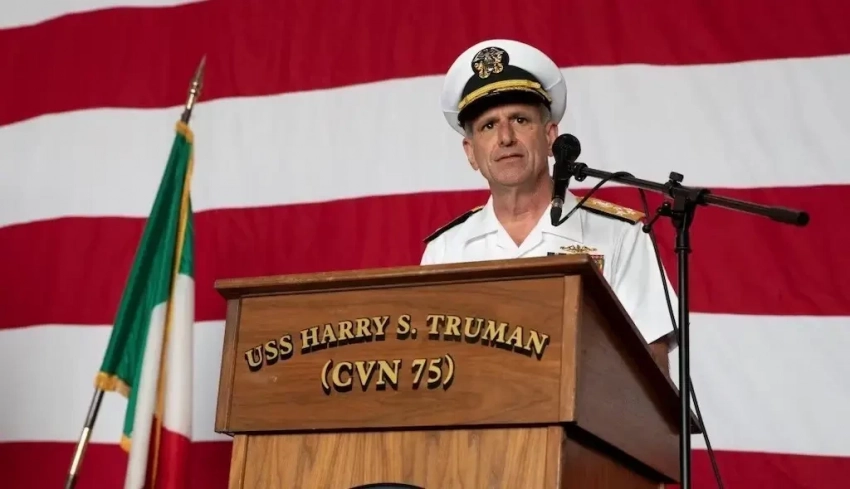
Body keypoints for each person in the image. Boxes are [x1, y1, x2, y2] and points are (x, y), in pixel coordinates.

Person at [420, 39, 677, 374]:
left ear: (551, 136)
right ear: (471, 152)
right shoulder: (445, 250)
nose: (506, 137)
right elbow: (432, 368)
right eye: (488, 126)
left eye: (520, 120)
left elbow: (652, 370)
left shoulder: (620, 235)